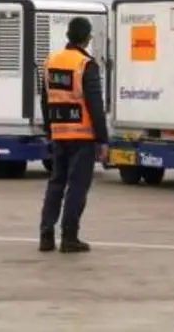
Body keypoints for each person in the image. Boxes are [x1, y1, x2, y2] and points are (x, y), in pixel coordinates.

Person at [38, 16, 109, 253]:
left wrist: (50, 130)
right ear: (87, 38)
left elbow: (45, 100)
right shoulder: (86, 64)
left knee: (56, 184)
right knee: (77, 187)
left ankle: (46, 236)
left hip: (59, 134)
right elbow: (95, 105)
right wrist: (103, 139)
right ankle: (69, 237)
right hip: (82, 136)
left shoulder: (51, 61)